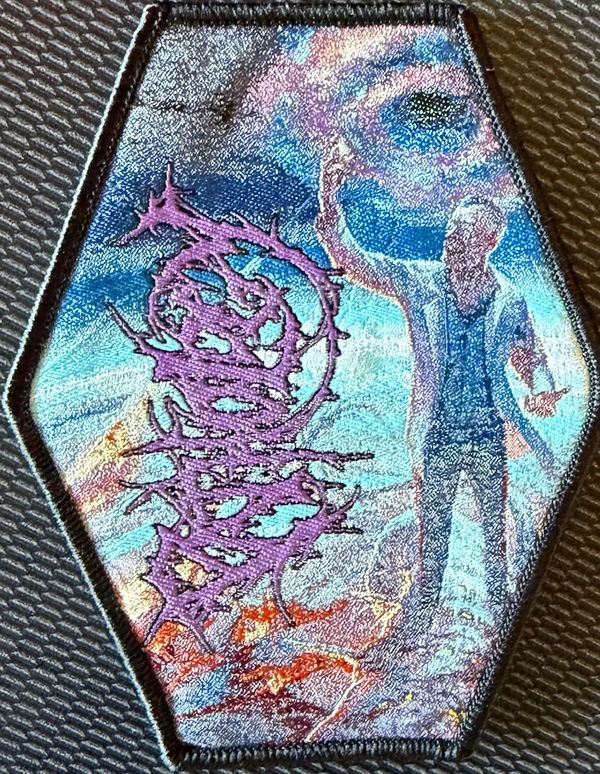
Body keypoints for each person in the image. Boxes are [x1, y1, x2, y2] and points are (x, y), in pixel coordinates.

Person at [315, 139, 567, 608]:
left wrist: (541, 391)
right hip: (436, 435)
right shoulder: (419, 281)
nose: (451, 239)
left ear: (487, 244)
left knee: (495, 536)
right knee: (432, 539)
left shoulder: (509, 300)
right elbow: (354, 259)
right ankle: (422, 614)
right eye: (450, 229)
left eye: (464, 233)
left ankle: (498, 608)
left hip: (489, 433)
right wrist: (329, 197)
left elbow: (532, 358)